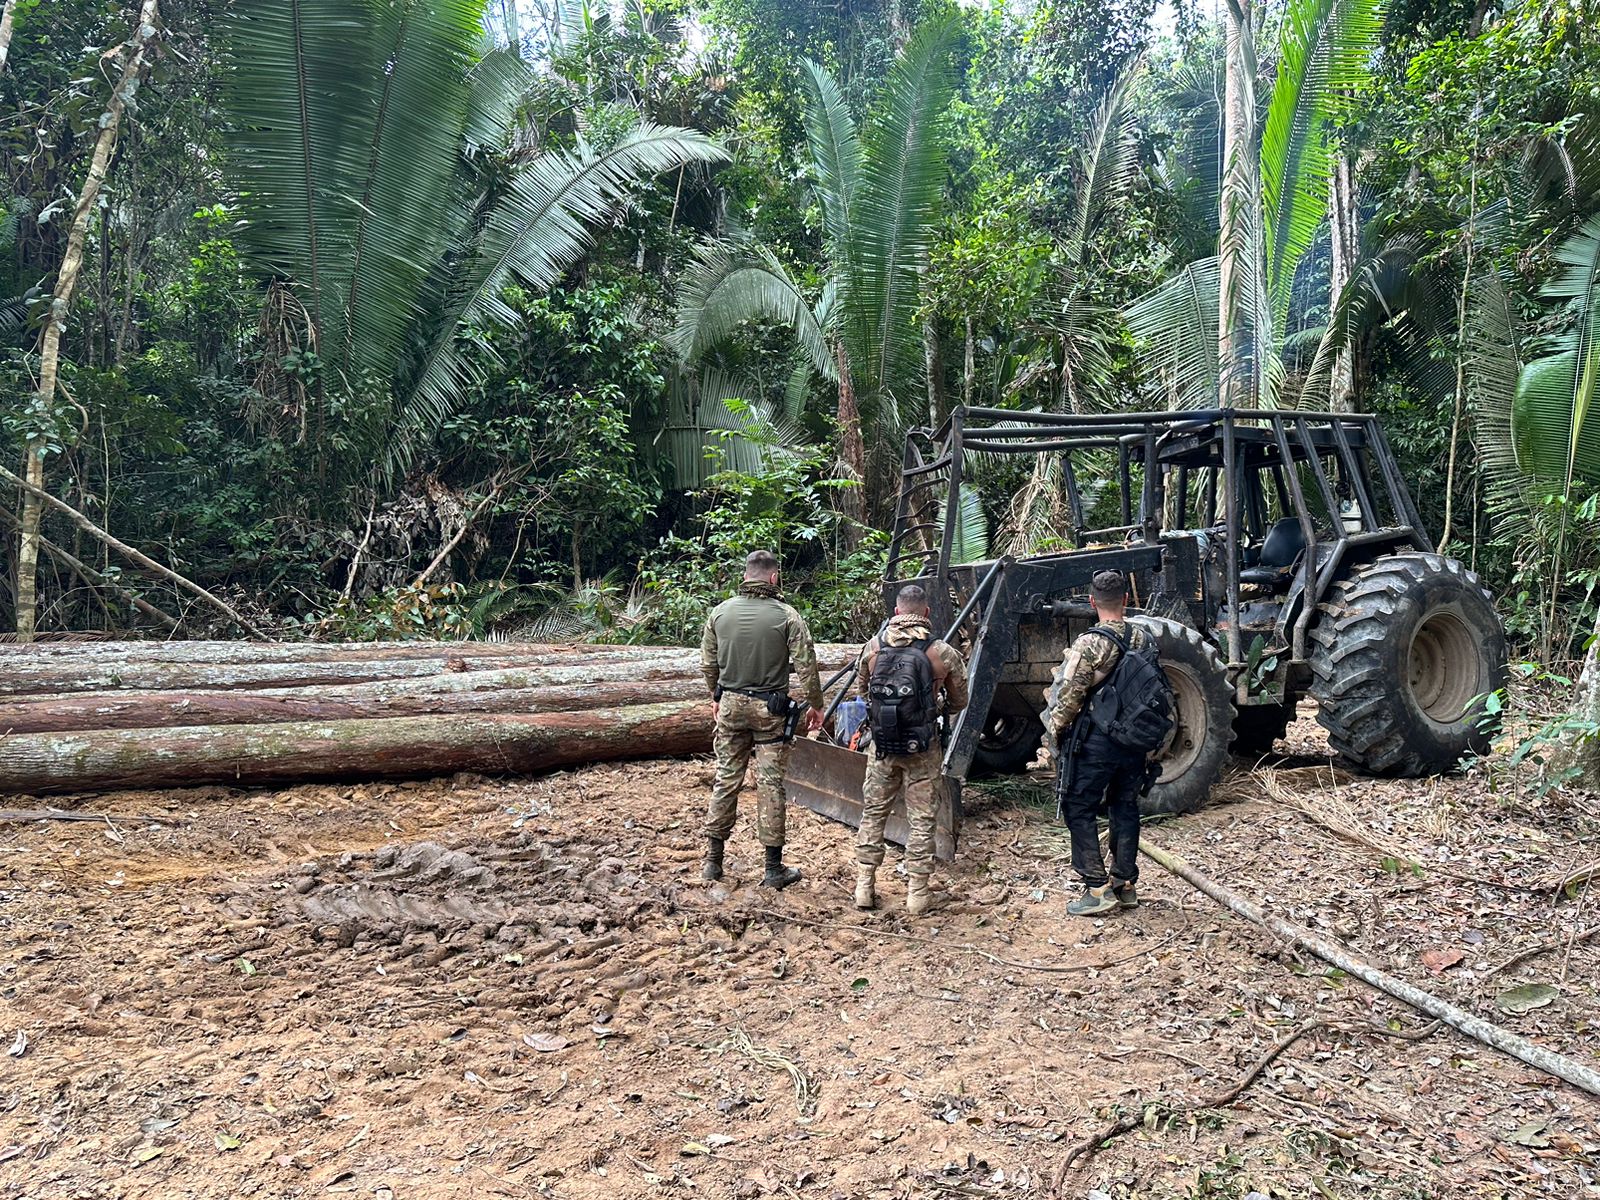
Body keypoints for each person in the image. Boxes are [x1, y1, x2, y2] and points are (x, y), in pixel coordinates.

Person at [700, 550, 825, 889]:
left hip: (730, 706)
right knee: (770, 784)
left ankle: (713, 862)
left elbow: (709, 665)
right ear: (773, 578)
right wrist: (816, 704)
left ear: (746, 575)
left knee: (726, 778)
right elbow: (806, 665)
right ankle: (772, 868)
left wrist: (716, 695)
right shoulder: (787, 615)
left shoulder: (720, 612)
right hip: (770, 711)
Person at [852, 584, 969, 916]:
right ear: (927, 613)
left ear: (896, 612)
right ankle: (917, 895)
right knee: (921, 820)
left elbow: (864, 693)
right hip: (922, 748)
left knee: (873, 814)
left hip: (882, 747)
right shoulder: (940, 652)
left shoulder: (873, 648)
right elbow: (961, 699)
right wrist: (937, 705)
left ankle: (864, 886)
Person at [1043, 569, 1154, 917]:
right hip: (1135, 741)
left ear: (1091, 602)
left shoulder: (1089, 644)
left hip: (1097, 742)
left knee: (1079, 807)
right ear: (1125, 600)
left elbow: (1071, 695)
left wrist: (1054, 733)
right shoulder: (1145, 638)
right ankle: (1125, 884)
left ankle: (1096, 888)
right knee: (1125, 805)